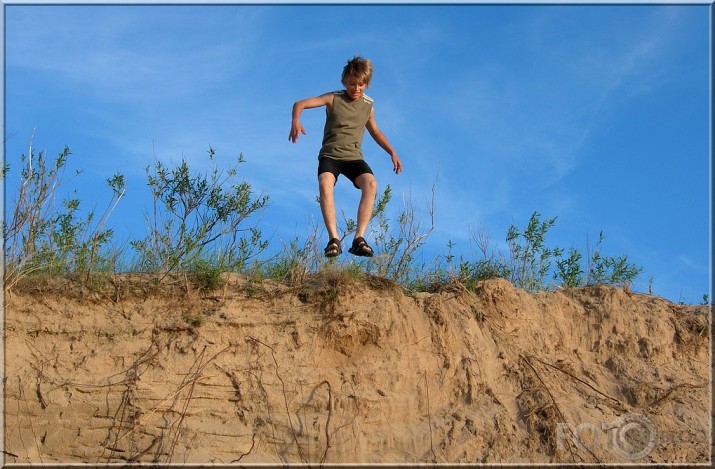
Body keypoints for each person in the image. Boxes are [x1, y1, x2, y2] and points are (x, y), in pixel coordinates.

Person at [289, 56, 403, 258]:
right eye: (352, 84)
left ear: (366, 84)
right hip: (331, 155)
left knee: (371, 184)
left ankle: (359, 239)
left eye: (360, 85)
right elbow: (300, 103)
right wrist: (296, 120)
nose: (356, 88)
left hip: (353, 157)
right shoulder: (333, 98)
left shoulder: (368, 106)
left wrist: (392, 151)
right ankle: (334, 239)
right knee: (325, 182)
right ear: (344, 82)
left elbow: (375, 131)